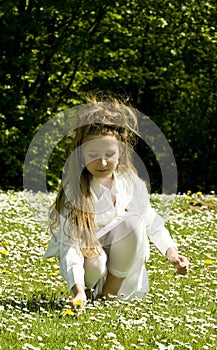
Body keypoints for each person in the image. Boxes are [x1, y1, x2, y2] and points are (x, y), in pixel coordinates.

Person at [44, 97, 189, 310]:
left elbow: (152, 222)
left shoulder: (130, 183)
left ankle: (107, 297)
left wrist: (172, 253)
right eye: (93, 154)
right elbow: (70, 248)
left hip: (122, 267)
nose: (102, 163)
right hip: (90, 267)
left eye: (109, 154)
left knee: (133, 222)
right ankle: (89, 295)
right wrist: (77, 289)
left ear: (120, 152)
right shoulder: (74, 192)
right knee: (95, 260)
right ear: (81, 155)